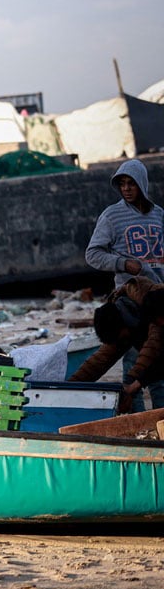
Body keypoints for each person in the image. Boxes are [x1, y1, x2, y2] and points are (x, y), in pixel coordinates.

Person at [85, 159, 164, 411]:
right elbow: (93, 254)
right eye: (122, 184)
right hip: (131, 304)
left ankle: (160, 418)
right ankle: (136, 420)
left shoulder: (159, 215)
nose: (127, 189)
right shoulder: (111, 215)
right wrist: (122, 263)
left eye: (131, 183)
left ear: (142, 184)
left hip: (159, 300)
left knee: (157, 362)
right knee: (133, 364)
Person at [68, 279, 164, 413]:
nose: (122, 342)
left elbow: (153, 350)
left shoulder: (155, 305)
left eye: (121, 337)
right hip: (156, 362)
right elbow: (100, 360)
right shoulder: (118, 316)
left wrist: (134, 383)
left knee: (154, 385)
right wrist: (69, 387)